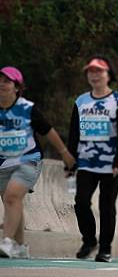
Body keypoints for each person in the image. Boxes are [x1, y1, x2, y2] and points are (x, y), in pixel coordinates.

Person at [0, 66, 76, 258]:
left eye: (7, 81)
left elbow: (48, 131)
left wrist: (64, 153)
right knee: (12, 201)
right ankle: (20, 246)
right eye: (0, 80)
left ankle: (6, 242)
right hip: (4, 163)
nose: (1, 84)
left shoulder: (27, 109)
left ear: (17, 87)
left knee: (12, 196)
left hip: (28, 160)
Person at [67, 57, 118, 262]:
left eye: (99, 71)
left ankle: (105, 249)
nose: (94, 75)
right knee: (81, 202)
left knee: (106, 206)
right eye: (90, 71)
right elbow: (74, 132)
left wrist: (117, 160)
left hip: (110, 163)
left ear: (108, 75)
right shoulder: (81, 101)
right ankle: (89, 240)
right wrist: (70, 159)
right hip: (85, 162)